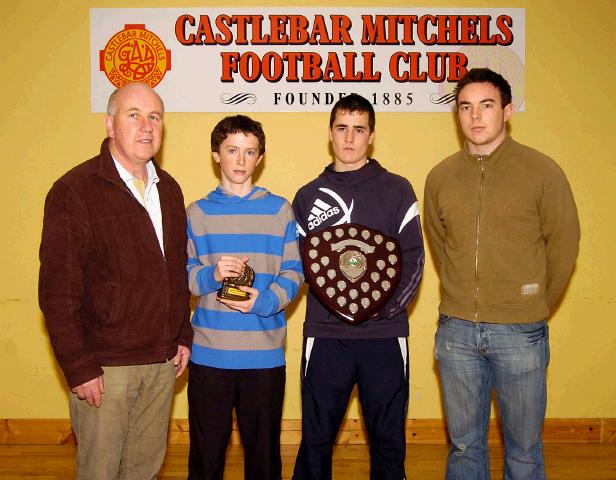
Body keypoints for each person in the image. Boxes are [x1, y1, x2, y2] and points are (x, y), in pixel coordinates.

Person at [424, 68, 580, 479]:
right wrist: (461, 293)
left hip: (520, 332)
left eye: (487, 106)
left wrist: (533, 302)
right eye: (466, 107)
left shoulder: (542, 172)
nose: (476, 116)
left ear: (507, 111)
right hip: (456, 331)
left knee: (524, 450)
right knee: (463, 447)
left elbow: (563, 247)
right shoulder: (439, 177)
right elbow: (441, 246)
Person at [39, 82, 193, 479]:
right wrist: (79, 366)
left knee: (143, 470)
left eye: (155, 117)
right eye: (134, 115)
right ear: (110, 125)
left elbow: (175, 271)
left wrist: (182, 335)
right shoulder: (75, 191)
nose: (147, 126)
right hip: (105, 369)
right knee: (101, 472)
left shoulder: (170, 190)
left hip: (161, 364)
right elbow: (58, 293)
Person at [292, 94, 425, 479]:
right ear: (330, 133)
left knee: (388, 438)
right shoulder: (307, 196)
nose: (349, 138)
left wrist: (386, 309)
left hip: (384, 334)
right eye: (342, 128)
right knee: (316, 437)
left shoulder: (398, 190)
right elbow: (302, 264)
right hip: (325, 334)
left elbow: (413, 257)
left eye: (359, 129)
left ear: (371, 136)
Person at [185, 115, 304, 480]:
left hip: (263, 358)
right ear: (216, 155)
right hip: (209, 356)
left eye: (249, 152)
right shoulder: (197, 213)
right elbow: (184, 277)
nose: (240, 160)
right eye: (232, 150)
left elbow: (294, 272)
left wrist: (264, 303)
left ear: (259, 158)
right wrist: (212, 275)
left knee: (264, 459)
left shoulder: (280, 210)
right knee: (206, 459)